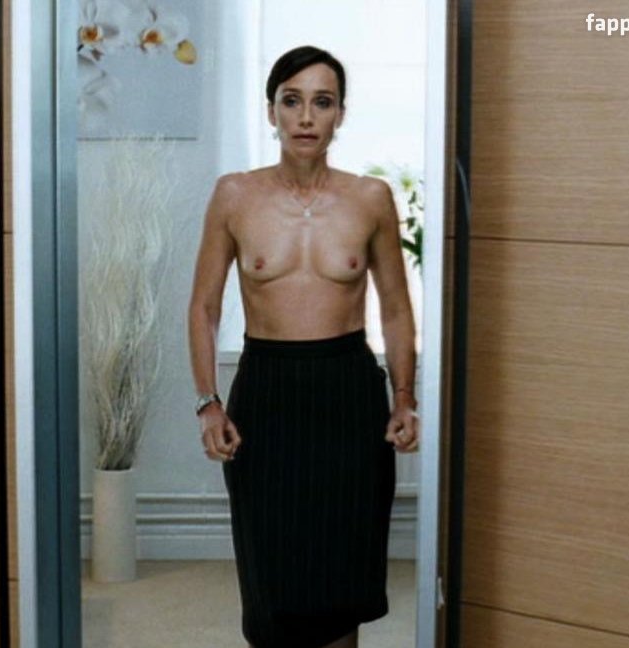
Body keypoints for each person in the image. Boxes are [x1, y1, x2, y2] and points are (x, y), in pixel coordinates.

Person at [186, 45, 420, 648]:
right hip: (267, 390)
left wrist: (404, 398)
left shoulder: (370, 198)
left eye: (323, 102)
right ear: (272, 112)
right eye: (292, 101)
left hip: (348, 391)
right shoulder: (234, 195)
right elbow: (204, 307)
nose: (307, 117)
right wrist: (208, 401)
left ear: (341, 113)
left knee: (341, 577)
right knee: (273, 578)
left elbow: (396, 308)